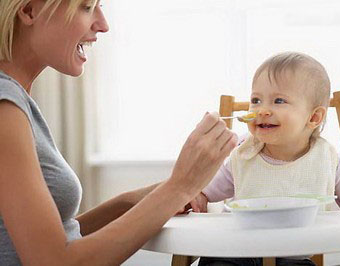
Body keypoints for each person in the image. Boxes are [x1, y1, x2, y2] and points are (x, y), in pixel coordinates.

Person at [0, 0, 238, 264]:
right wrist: (179, 187)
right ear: (29, 10)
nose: (103, 25)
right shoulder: (5, 108)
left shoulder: (16, 100)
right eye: (87, 7)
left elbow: (45, 241)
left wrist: (130, 202)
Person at [185, 52, 340, 266]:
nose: (262, 110)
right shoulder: (243, 153)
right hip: (235, 251)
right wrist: (199, 195)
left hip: (292, 255)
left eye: (279, 100)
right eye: (256, 100)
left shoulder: (326, 158)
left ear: (314, 117)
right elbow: (209, 185)